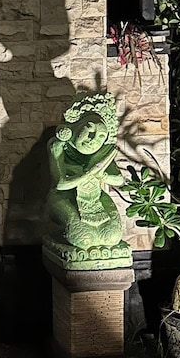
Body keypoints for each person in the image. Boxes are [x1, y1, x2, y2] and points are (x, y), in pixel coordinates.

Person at [45, 93, 126, 256]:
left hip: (95, 197)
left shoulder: (102, 152)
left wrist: (103, 176)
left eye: (101, 136)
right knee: (84, 239)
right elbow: (61, 183)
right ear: (75, 126)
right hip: (64, 197)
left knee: (112, 237)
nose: (93, 140)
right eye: (89, 130)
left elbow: (119, 179)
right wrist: (90, 173)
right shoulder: (58, 147)